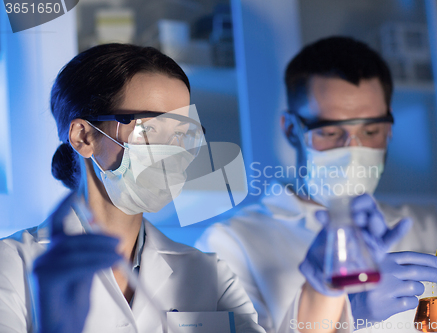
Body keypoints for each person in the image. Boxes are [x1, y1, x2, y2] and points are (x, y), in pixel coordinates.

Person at [196, 36, 437, 333]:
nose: (354, 151)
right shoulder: (227, 247)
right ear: (291, 130)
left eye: (371, 131)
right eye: (330, 132)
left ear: (390, 130)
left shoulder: (423, 227)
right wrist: (350, 313)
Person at [0, 43, 269, 333]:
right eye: (150, 129)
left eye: (182, 133)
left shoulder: (209, 274)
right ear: (84, 136)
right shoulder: (12, 265)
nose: (172, 151)